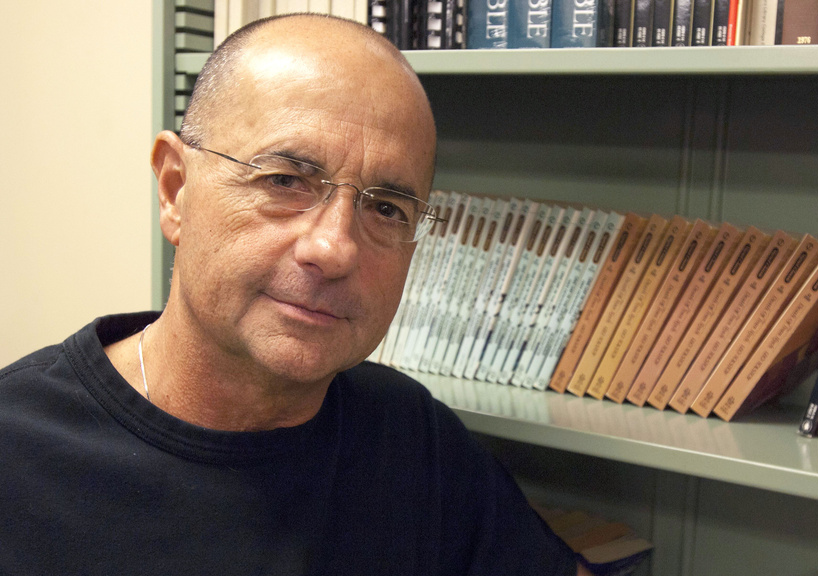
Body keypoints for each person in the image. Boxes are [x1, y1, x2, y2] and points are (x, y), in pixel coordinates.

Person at [0, 14, 589, 576]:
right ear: (176, 190)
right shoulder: (18, 454)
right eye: (284, 180)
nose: (334, 249)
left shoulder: (412, 438)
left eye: (386, 208)